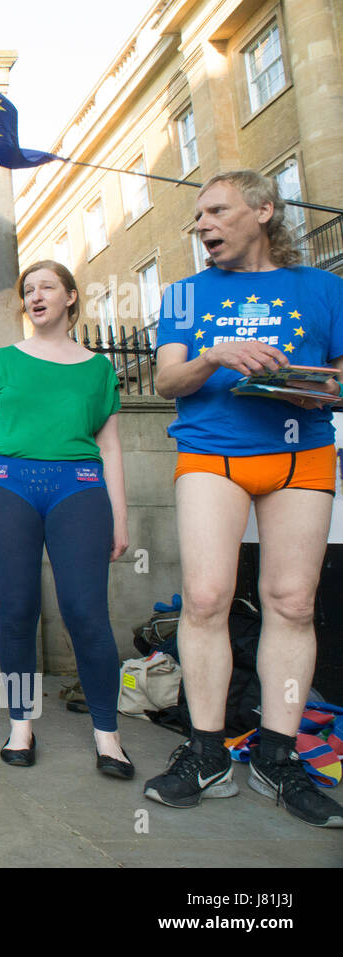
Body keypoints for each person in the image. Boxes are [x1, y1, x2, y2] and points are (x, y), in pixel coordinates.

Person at [147, 169, 343, 828]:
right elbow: (168, 377)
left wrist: (309, 385)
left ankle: (278, 756)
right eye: (197, 216)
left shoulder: (323, 288)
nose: (202, 225)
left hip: (302, 450)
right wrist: (216, 356)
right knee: (206, 597)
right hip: (212, 453)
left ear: (262, 211)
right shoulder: (183, 295)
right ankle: (205, 752)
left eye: (216, 211)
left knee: (293, 601)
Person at [0, 260, 131, 778]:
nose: (35, 296)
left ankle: (108, 735)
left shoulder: (99, 369)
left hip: (78, 489)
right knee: (17, 611)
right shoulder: (2, 361)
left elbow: (110, 445)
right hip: (6, 486)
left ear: (71, 297)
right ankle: (21, 725)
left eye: (46, 287)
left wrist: (120, 516)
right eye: (27, 289)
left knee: (86, 614)